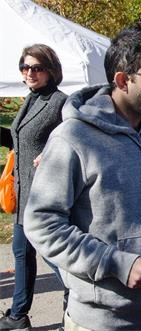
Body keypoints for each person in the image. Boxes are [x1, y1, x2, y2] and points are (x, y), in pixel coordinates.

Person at [23, 26, 141, 330]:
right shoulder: (73, 138)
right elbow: (42, 224)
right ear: (123, 80)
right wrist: (116, 263)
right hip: (103, 320)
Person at [0, 44, 68, 331]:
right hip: (23, 193)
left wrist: (53, 150)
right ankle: (18, 315)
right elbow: (21, 140)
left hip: (45, 196)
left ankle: (78, 302)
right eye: (25, 67)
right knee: (21, 254)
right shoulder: (31, 99)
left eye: (36, 68)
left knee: (55, 257)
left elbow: (77, 138)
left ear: (51, 70)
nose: (29, 72)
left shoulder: (60, 102)